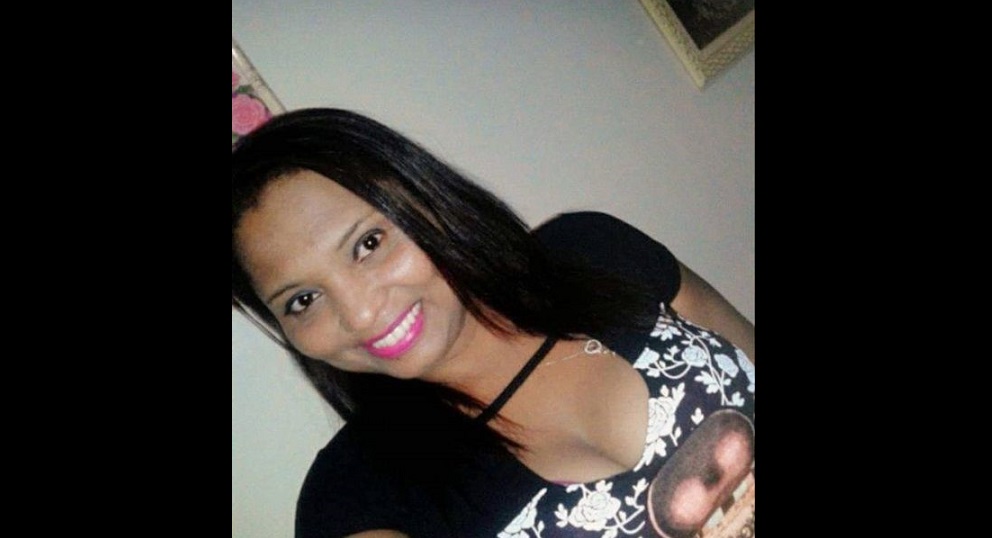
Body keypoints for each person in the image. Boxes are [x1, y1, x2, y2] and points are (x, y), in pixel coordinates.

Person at [232, 108, 755, 538]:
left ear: (425, 199)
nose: (360, 314)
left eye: (368, 244)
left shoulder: (594, 252)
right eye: (302, 300)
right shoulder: (356, 496)